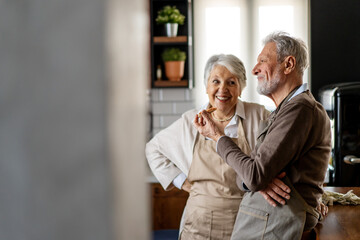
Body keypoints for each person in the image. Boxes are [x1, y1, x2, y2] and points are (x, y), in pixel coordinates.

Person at [194, 32, 331, 240]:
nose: (254, 69)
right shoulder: (284, 110)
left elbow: (253, 174)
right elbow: (249, 175)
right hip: (265, 224)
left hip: (274, 225)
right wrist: (256, 179)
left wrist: (217, 136)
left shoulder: (300, 110)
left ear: (288, 64)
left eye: (262, 61)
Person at [146, 54, 291, 240]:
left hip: (249, 220)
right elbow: (153, 149)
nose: (223, 89)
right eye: (216, 81)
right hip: (198, 225)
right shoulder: (191, 121)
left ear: (241, 88)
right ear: (207, 86)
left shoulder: (259, 115)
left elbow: (281, 155)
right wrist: (183, 182)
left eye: (231, 82)